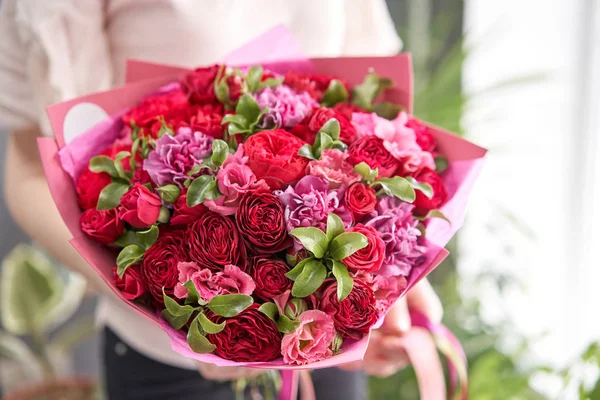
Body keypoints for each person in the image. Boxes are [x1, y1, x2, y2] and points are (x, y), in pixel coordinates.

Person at [0, 1, 443, 399]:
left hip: (325, 349)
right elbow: (28, 170)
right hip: (164, 366)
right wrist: (164, 306)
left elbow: (374, 111)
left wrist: (393, 278)